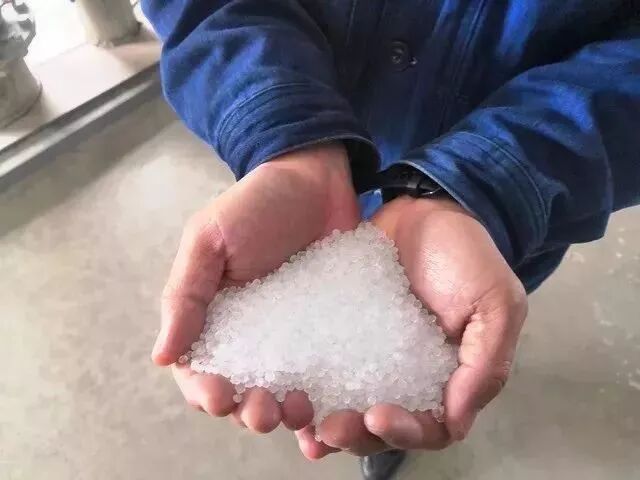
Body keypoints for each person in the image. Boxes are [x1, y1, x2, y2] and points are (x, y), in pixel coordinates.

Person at [142, 1, 640, 479]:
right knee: (403, 381)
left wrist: (491, 181)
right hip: (316, 138)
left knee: (456, 339)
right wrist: (281, 126)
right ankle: (387, 418)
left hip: (500, 213)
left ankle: (394, 429)